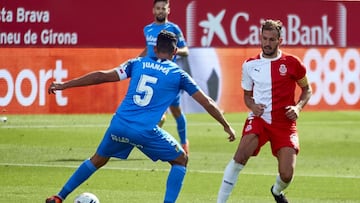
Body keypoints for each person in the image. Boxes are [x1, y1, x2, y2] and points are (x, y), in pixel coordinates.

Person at [45, 30, 236, 203]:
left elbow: (102, 76)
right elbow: (207, 102)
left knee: (97, 160)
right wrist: (226, 125)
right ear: (175, 52)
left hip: (118, 124)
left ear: (154, 48)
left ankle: (59, 196)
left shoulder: (136, 63)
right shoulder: (179, 74)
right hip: (145, 131)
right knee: (181, 160)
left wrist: (65, 85)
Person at [217, 19, 312, 203]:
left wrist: (298, 107)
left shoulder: (293, 63)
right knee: (239, 157)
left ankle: (277, 191)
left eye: (272, 39)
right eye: (264, 38)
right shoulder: (250, 65)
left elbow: (307, 89)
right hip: (259, 119)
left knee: (286, 174)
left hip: (284, 123)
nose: (267, 43)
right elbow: (247, 96)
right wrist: (253, 106)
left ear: (280, 41)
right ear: (260, 38)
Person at [139, 0, 191, 154]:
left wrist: (175, 50)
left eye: (164, 8)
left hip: (168, 76)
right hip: (150, 75)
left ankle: (184, 143)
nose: (160, 11)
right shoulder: (147, 29)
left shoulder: (173, 29)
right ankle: (150, 137)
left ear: (169, 11)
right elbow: (148, 50)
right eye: (158, 8)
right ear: (153, 10)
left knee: (175, 111)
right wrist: (136, 61)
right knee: (154, 111)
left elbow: (186, 50)